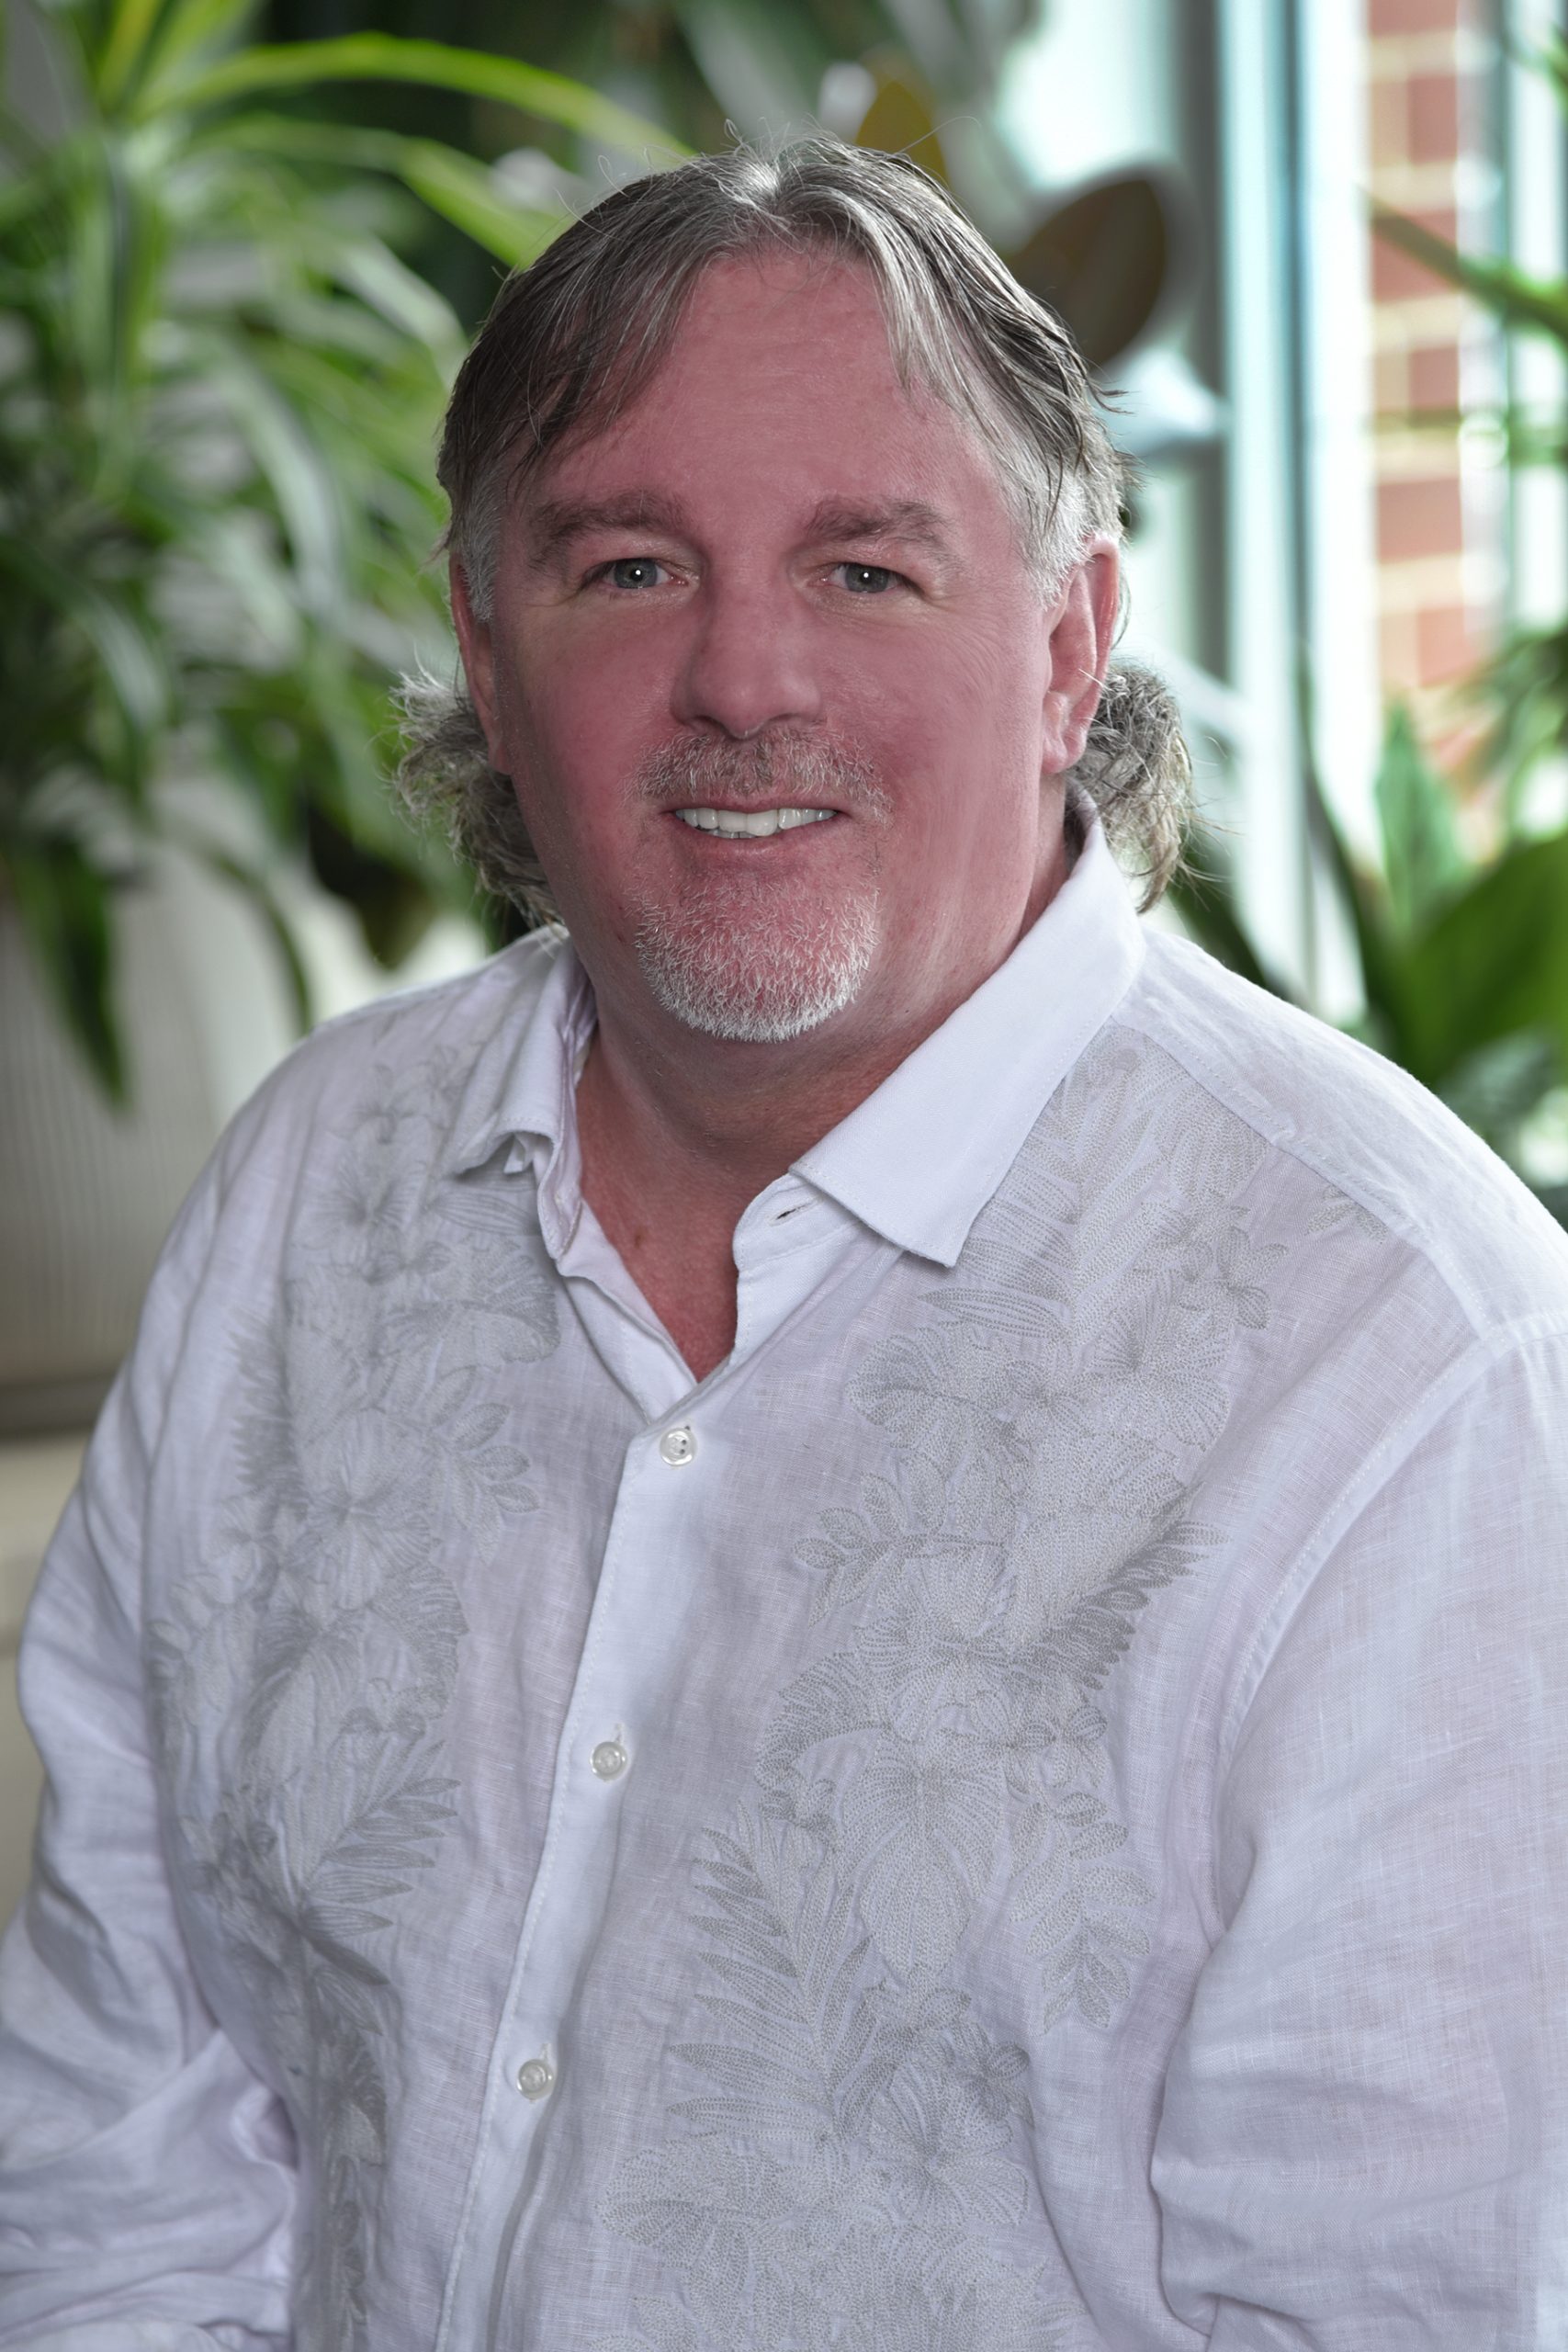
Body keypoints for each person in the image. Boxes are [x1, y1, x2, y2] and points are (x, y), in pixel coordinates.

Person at [2, 135, 1565, 2352]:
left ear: (1067, 642)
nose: (742, 677)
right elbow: (123, 2147)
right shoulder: (307, 1195)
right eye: (630, 565)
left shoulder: (1399, 1360)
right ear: (483, 646)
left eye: (864, 568)